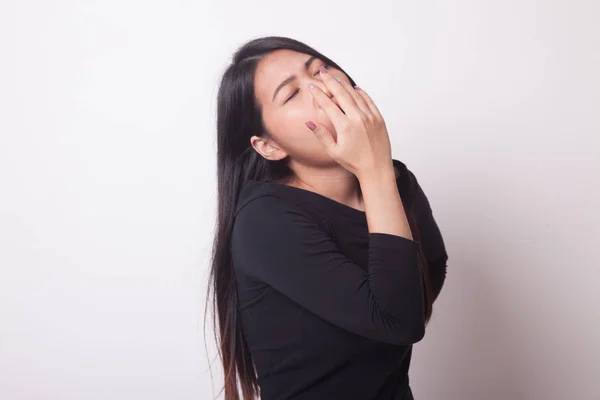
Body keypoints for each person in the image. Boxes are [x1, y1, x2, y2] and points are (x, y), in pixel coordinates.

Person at [207, 36, 448, 400]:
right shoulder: (265, 220)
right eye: (291, 94)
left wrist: (378, 172)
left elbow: (430, 271)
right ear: (269, 146)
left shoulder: (395, 182)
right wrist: (374, 169)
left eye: (319, 69)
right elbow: (400, 323)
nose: (321, 88)